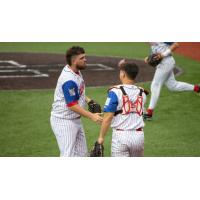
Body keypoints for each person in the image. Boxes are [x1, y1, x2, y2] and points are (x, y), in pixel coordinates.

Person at [50, 46, 103, 157]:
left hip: (75, 120)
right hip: (64, 121)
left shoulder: (75, 71)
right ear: (74, 61)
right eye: (82, 58)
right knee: (67, 154)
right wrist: (92, 116)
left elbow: (76, 92)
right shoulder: (69, 79)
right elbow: (72, 105)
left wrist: (88, 100)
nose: (85, 60)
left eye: (85, 57)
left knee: (82, 154)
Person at [97, 60, 147, 157]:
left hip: (121, 137)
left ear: (123, 74)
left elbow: (108, 117)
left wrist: (101, 137)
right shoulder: (143, 92)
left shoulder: (115, 92)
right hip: (139, 136)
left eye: (120, 71)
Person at [143, 42, 200, 120]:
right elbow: (156, 51)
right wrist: (149, 58)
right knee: (173, 86)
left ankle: (149, 113)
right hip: (164, 63)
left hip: (166, 62)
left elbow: (176, 45)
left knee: (155, 84)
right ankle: (197, 88)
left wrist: (163, 55)